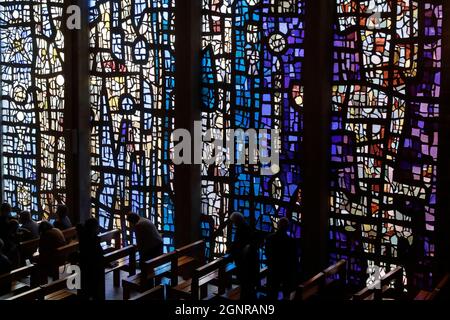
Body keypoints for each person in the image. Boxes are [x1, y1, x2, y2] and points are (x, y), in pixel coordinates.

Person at [266, 217, 298, 300]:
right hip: (286, 270)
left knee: (272, 292)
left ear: (278, 226)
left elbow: (267, 253)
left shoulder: (270, 238)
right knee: (286, 293)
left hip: (273, 268)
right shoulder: (291, 241)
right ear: (287, 227)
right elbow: (294, 257)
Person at [229, 212, 259, 300]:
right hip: (247, 259)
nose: (233, 224)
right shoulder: (245, 226)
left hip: (245, 261)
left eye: (234, 222)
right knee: (247, 285)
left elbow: (239, 243)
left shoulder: (242, 229)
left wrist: (231, 251)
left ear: (237, 221)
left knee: (245, 283)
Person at [77, 218, 105, 300]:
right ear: (93, 228)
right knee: (94, 291)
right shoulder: (91, 239)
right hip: (92, 269)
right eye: (97, 226)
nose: (98, 228)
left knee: (86, 292)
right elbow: (97, 254)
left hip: (86, 268)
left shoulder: (84, 236)